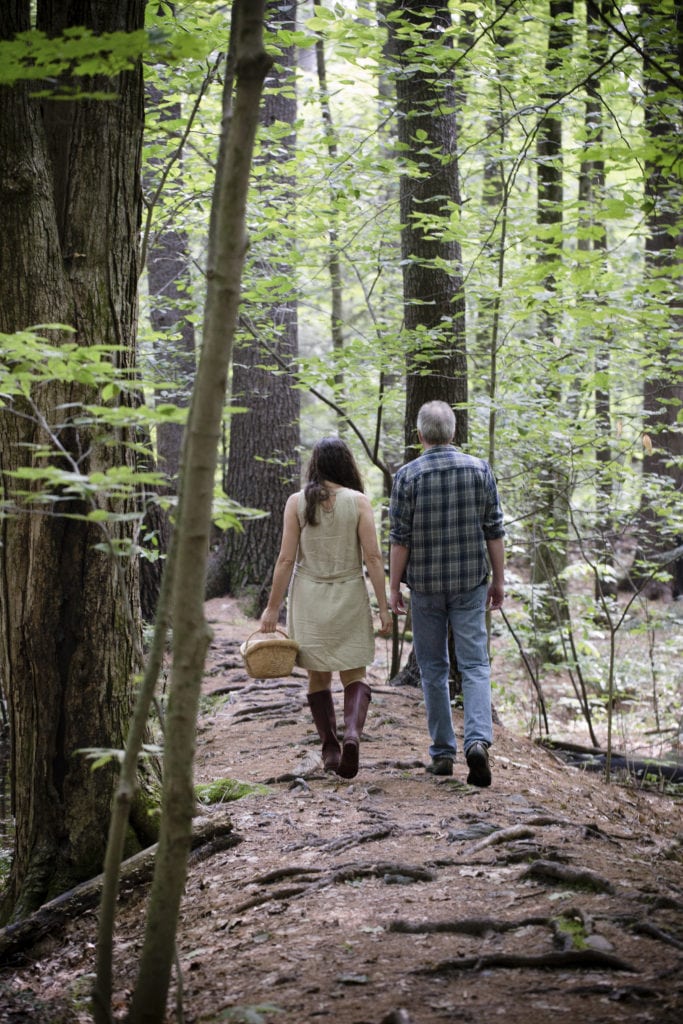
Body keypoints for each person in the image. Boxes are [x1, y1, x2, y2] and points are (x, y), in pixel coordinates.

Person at [388, 401, 505, 787]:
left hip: (424, 587)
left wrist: (393, 585)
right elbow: (494, 530)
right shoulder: (479, 469)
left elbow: (400, 540)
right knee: (474, 665)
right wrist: (499, 580)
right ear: (453, 432)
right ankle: (477, 742)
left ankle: (442, 753)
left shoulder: (407, 476)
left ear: (420, 435)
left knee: (434, 669)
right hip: (471, 582)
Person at [261, 436, 392, 779]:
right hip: (350, 592)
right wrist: (384, 608)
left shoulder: (297, 502)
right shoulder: (360, 502)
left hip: (309, 597)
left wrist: (272, 608)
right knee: (354, 673)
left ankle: (331, 749)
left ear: (315, 464)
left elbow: (286, 559)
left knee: (317, 675)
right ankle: (352, 734)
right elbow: (374, 558)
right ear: (346, 464)